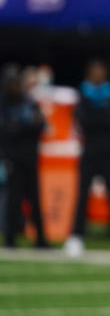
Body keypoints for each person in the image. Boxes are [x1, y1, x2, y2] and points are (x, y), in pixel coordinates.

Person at [65, 59, 110, 258]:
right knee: (82, 195)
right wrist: (103, 118)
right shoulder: (83, 93)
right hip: (89, 150)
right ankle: (76, 237)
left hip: (108, 151)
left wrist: (99, 119)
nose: (98, 75)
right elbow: (83, 121)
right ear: (89, 74)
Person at [0, 65, 48, 248]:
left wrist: (21, 127)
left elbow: (40, 125)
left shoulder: (29, 102)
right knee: (13, 200)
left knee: (35, 199)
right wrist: (25, 126)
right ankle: (10, 239)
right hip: (12, 158)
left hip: (30, 157)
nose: (14, 87)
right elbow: (6, 129)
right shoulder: (4, 103)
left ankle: (41, 240)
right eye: (11, 83)